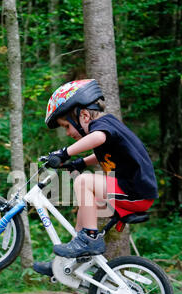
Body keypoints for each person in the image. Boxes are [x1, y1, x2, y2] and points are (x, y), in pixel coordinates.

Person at [33, 79, 158, 277]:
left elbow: (98, 138)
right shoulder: (106, 130)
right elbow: (101, 153)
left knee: (84, 181)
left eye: (66, 126)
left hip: (135, 192)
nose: (67, 132)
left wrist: (65, 153)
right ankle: (66, 263)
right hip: (129, 191)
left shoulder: (103, 125)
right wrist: (80, 163)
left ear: (83, 115)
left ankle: (90, 239)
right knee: (83, 214)